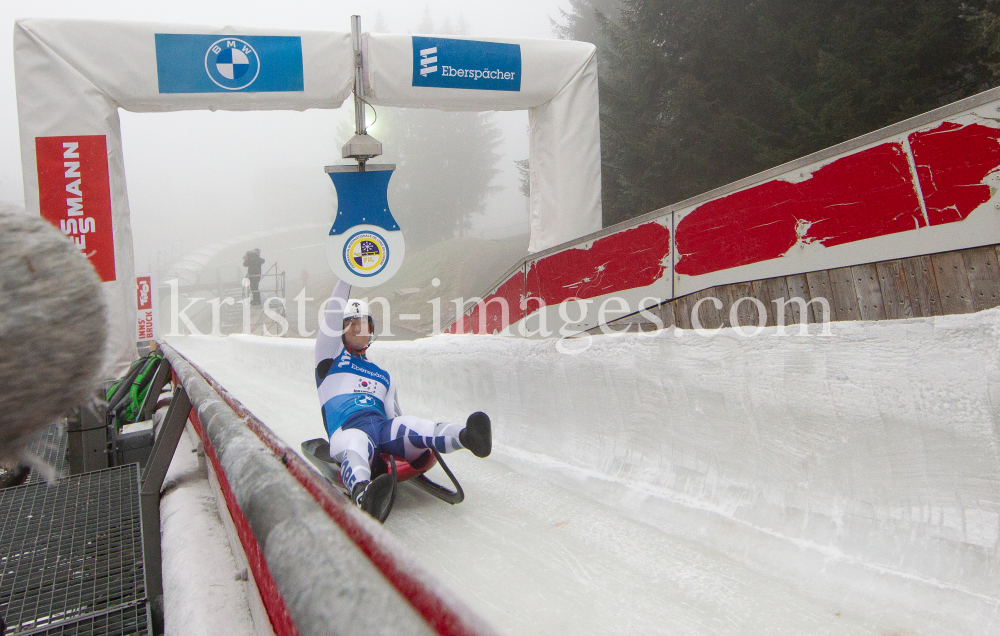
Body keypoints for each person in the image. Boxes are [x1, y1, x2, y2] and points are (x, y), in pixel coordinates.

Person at [315, 279, 491, 519]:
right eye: (350, 323)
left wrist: (402, 450)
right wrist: (347, 275)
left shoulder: (383, 376)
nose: (358, 329)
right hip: (348, 430)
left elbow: (392, 415)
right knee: (356, 441)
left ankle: (468, 437)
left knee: (410, 424)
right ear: (339, 330)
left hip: (381, 430)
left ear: (372, 329)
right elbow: (333, 311)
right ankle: (362, 494)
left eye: (363, 323)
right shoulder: (328, 361)